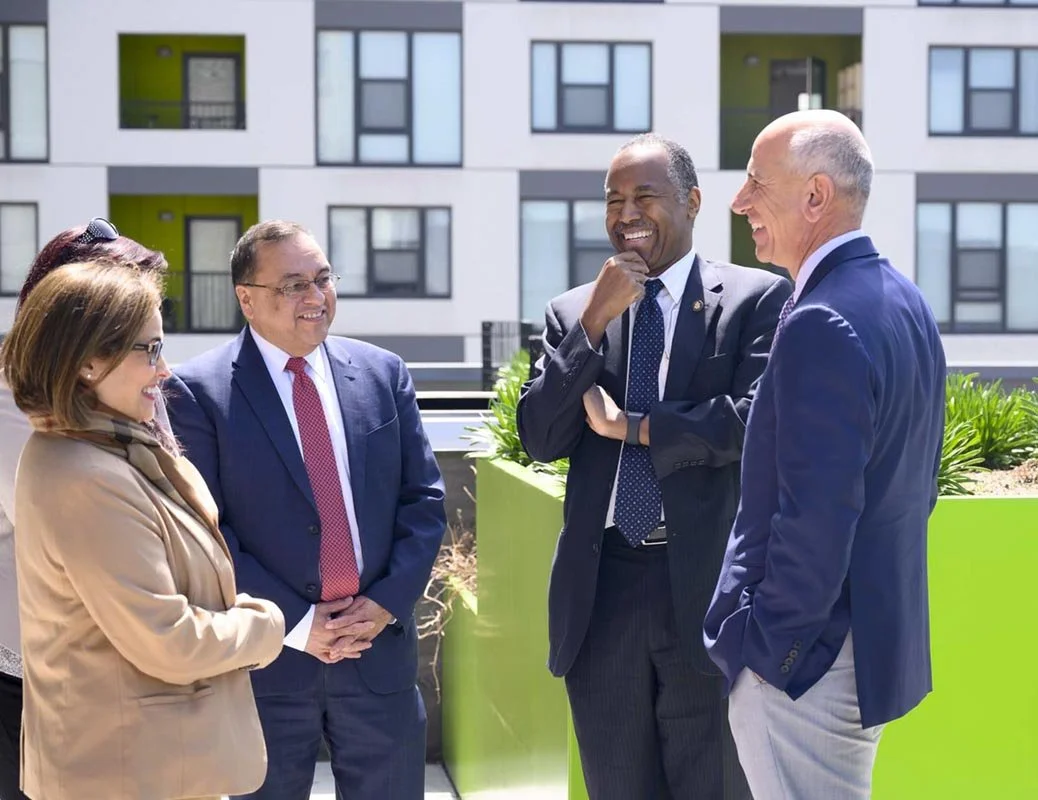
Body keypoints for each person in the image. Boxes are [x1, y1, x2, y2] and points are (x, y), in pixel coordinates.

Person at [516, 133, 791, 799]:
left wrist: (632, 428)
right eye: (613, 200)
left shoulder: (758, 299)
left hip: (708, 588)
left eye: (645, 196)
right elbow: (541, 436)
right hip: (605, 588)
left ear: (692, 202)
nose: (626, 213)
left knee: (715, 785)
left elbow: (755, 423)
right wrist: (593, 322)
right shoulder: (573, 312)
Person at [703, 110, 946, 799]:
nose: (739, 201)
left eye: (755, 182)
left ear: (815, 197)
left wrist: (768, 653)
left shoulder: (820, 319)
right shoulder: (904, 300)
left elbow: (816, 519)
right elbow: (914, 486)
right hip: (862, 649)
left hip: (808, 667)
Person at [165, 220, 447, 800]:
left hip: (378, 656)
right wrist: (296, 623)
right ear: (247, 298)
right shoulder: (196, 392)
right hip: (268, 667)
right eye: (293, 285)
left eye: (322, 279)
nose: (316, 297)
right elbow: (206, 535)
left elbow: (423, 501)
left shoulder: (382, 373)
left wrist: (387, 604)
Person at [1, 261, 286, 800]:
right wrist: (266, 625)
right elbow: (168, 641)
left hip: (148, 765)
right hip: (129, 774)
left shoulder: (106, 447)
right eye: (149, 349)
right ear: (87, 362)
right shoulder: (85, 475)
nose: (164, 370)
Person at [0, 217, 169, 800]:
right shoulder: (12, 397)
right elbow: (101, 531)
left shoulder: (138, 387)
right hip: (29, 676)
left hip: (125, 668)